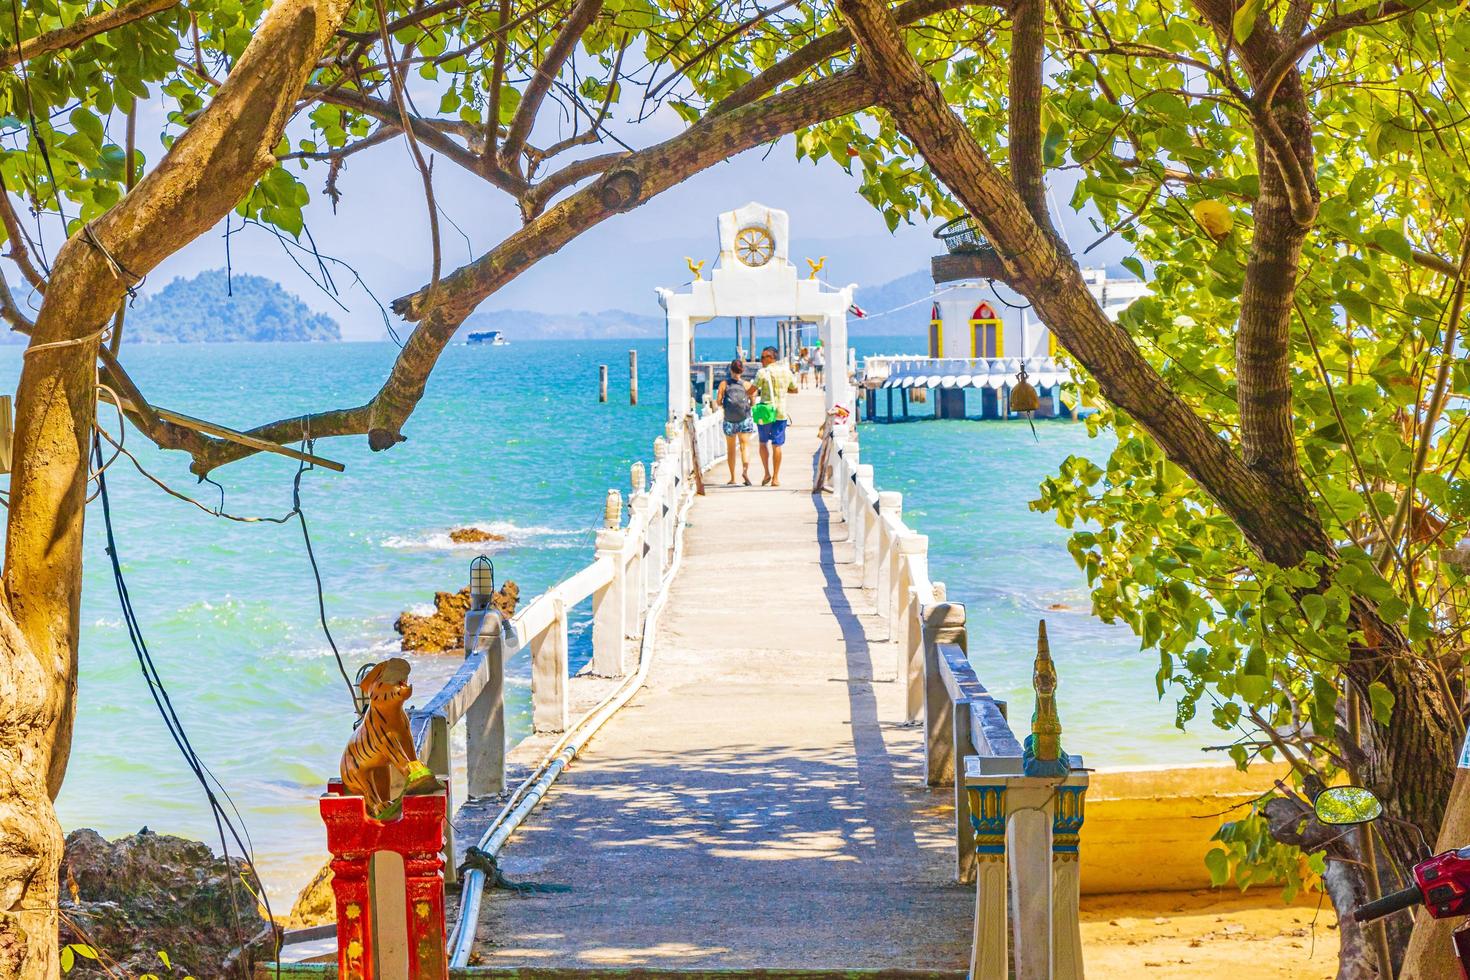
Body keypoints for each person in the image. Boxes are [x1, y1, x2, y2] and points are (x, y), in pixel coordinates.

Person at [754, 345, 795, 486]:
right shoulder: (786, 372)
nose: (761, 360)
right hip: (781, 413)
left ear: (771, 358)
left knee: (762, 443)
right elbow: (795, 389)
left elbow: (753, 389)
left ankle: (766, 473)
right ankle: (775, 478)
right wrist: (782, 391)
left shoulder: (762, 372)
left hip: (765, 413)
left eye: (763, 357)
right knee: (777, 445)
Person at [716, 359, 755, 485]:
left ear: (731, 370)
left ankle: (733, 478)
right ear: (742, 370)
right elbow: (753, 402)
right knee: (745, 446)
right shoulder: (748, 385)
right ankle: (745, 471)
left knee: (731, 449)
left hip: (729, 420)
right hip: (744, 419)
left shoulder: (723, 384)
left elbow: (718, 401)